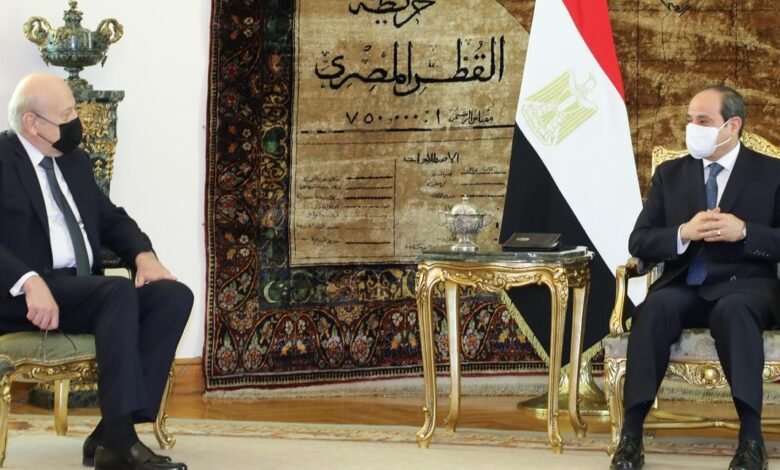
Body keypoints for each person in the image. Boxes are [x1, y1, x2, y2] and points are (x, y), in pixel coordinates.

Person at [0, 73, 192, 470]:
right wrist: (28, 279)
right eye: (66, 114)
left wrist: (143, 255)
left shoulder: (74, 161)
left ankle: (108, 433)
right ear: (32, 123)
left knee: (173, 296)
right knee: (115, 291)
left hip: (79, 291)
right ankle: (121, 444)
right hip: (17, 295)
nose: (76, 121)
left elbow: (111, 219)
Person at [610, 85, 780, 470]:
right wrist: (682, 233)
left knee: (734, 311)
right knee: (654, 308)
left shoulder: (771, 173)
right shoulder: (671, 175)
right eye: (690, 120)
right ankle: (630, 438)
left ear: (732, 126)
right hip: (684, 285)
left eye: (703, 121)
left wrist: (745, 231)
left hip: (746, 287)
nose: (692, 128)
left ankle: (751, 441)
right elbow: (639, 240)